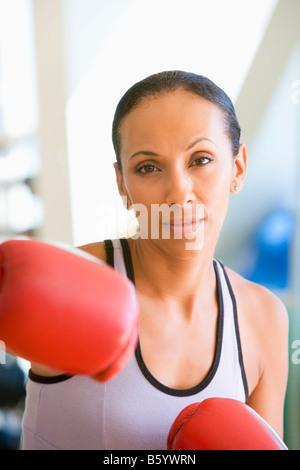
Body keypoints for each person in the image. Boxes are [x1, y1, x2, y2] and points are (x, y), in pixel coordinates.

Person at [21, 70, 289, 450]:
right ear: (122, 186)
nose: (179, 193)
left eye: (200, 159)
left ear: (238, 168)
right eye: (148, 167)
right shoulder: (75, 280)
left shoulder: (264, 319)